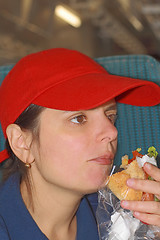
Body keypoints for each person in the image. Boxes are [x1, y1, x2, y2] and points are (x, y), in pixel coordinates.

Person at [0, 48, 159, 240]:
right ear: (22, 143)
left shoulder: (119, 216)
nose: (112, 132)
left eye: (110, 116)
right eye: (79, 119)